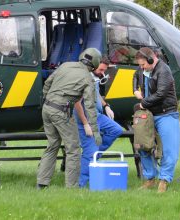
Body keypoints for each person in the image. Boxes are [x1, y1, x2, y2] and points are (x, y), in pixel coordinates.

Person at [37, 48, 102, 189]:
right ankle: (72, 187)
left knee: (52, 145)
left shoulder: (65, 65)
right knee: (73, 149)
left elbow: (47, 82)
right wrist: (95, 131)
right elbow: (90, 107)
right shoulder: (88, 78)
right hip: (61, 112)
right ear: (95, 65)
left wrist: (48, 98)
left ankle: (42, 183)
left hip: (47, 108)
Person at [135, 47, 180, 193]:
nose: (141, 68)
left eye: (143, 65)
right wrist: (135, 89)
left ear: (151, 59)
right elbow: (136, 76)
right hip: (148, 114)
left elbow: (161, 93)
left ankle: (164, 180)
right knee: (143, 145)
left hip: (166, 114)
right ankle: (150, 179)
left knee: (170, 150)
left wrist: (142, 103)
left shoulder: (164, 71)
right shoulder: (143, 69)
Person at [74, 56, 123, 188]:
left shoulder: (94, 78)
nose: (102, 72)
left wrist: (106, 106)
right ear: (94, 65)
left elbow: (97, 93)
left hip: (98, 116)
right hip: (85, 119)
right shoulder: (82, 78)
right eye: (101, 69)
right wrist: (85, 124)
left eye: (104, 70)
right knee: (90, 152)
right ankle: (81, 184)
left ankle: (93, 155)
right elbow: (76, 103)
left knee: (117, 130)